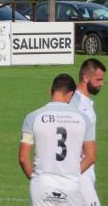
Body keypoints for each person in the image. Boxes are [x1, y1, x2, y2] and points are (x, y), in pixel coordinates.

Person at [19, 73, 96, 206]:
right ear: (71, 94)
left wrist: (35, 178)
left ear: (51, 91)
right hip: (71, 186)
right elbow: (90, 156)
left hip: (41, 186)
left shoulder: (32, 117)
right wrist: (73, 173)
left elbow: (23, 158)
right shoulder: (84, 119)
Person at [70, 58, 105, 206]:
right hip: (80, 172)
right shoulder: (78, 105)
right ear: (85, 78)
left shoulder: (79, 101)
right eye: (98, 79)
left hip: (82, 171)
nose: (101, 84)